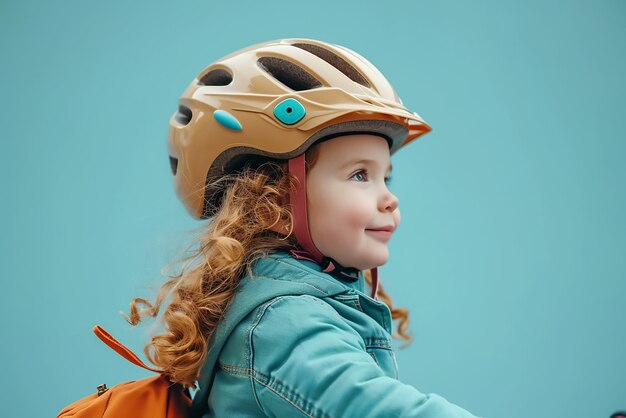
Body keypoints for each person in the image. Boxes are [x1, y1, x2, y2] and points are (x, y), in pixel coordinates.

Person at [128, 38, 481, 417]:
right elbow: (374, 408)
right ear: (273, 201)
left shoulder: (306, 304)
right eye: (360, 174)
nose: (388, 199)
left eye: (386, 178)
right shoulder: (282, 326)